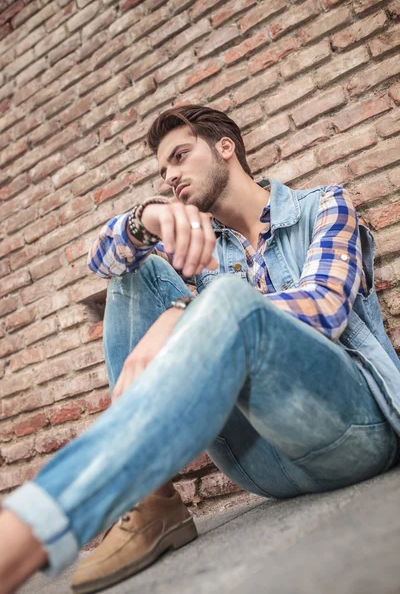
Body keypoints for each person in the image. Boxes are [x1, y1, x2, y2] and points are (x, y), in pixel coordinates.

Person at [1, 105, 400, 594]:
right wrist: (145, 218)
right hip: (262, 463)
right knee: (137, 268)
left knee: (228, 298)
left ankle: (31, 527)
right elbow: (102, 262)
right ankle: (152, 503)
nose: (170, 176)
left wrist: (186, 313)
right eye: (163, 170)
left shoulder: (323, 206)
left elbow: (327, 308)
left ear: (225, 148)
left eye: (180, 156)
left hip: (351, 434)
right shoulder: (202, 244)